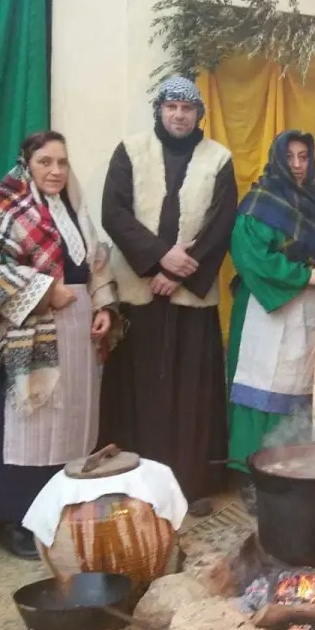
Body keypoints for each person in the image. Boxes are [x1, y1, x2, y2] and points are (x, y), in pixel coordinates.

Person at [0, 131, 120, 558]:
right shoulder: (1, 207)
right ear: (26, 164)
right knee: (26, 426)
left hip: (75, 332)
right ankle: (11, 518)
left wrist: (103, 306)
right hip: (25, 336)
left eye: (62, 162)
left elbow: (95, 261)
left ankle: (56, 509)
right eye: (46, 162)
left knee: (68, 423)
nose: (56, 171)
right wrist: (43, 291)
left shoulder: (72, 206)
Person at [98, 76, 237, 516]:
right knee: (138, 392)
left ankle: (190, 483)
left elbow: (221, 223)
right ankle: (133, 483)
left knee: (189, 393)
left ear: (199, 114)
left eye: (187, 108)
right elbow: (114, 213)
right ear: (159, 109)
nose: (179, 115)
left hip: (190, 298)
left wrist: (179, 274)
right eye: (172, 106)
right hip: (139, 294)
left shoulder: (218, 158)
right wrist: (159, 259)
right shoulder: (130, 151)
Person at [226, 130, 315, 475]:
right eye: (289, 156)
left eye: (303, 157)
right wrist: (304, 275)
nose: (297, 164)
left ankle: (296, 470)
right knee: (263, 388)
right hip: (267, 310)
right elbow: (250, 256)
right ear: (277, 159)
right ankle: (253, 472)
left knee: (300, 387)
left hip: (308, 310)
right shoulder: (260, 202)